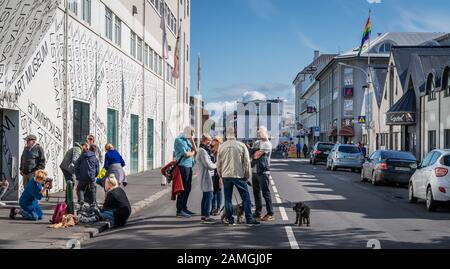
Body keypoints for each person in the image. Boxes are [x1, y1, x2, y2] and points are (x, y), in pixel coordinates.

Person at [217, 126, 260, 226]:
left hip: (226, 175)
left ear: (226, 134)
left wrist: (220, 175)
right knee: (246, 198)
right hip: (239, 175)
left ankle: (230, 220)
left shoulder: (222, 146)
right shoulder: (241, 145)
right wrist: (247, 176)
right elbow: (246, 163)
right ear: (235, 133)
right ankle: (249, 219)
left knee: (227, 198)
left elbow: (218, 163)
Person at [251, 127, 274, 222]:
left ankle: (270, 213)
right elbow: (251, 154)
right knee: (256, 193)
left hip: (263, 172)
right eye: (258, 133)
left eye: (260, 133)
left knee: (265, 193)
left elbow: (256, 155)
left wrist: (254, 153)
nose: (259, 135)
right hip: (255, 171)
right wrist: (253, 153)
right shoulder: (256, 143)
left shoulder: (267, 144)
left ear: (265, 133)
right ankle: (258, 212)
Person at [174, 126, 197, 218]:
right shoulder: (179, 140)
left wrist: (192, 141)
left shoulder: (188, 140)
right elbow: (186, 154)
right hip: (182, 166)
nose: (192, 136)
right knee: (182, 189)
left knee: (188, 188)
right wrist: (192, 152)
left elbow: (195, 150)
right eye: (191, 134)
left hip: (189, 165)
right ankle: (179, 210)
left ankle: (184, 207)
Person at [197, 134, 217, 224]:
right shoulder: (202, 151)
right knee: (208, 196)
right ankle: (207, 217)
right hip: (205, 177)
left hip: (208, 176)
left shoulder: (204, 150)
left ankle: (204, 216)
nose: (210, 142)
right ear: (205, 140)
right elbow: (208, 165)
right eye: (209, 140)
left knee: (206, 196)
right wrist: (217, 165)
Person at [60, 142, 83, 214]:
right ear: (82, 146)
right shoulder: (78, 149)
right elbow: (75, 159)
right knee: (71, 183)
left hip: (65, 167)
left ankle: (67, 200)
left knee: (69, 183)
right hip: (68, 168)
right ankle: (68, 201)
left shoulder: (75, 148)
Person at [210, 136, 224, 216]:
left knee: (218, 190)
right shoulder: (212, 151)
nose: (213, 141)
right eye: (213, 139)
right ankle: (213, 208)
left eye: (215, 140)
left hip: (219, 173)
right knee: (213, 191)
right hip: (212, 173)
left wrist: (221, 176)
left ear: (219, 142)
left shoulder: (221, 151)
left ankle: (218, 208)